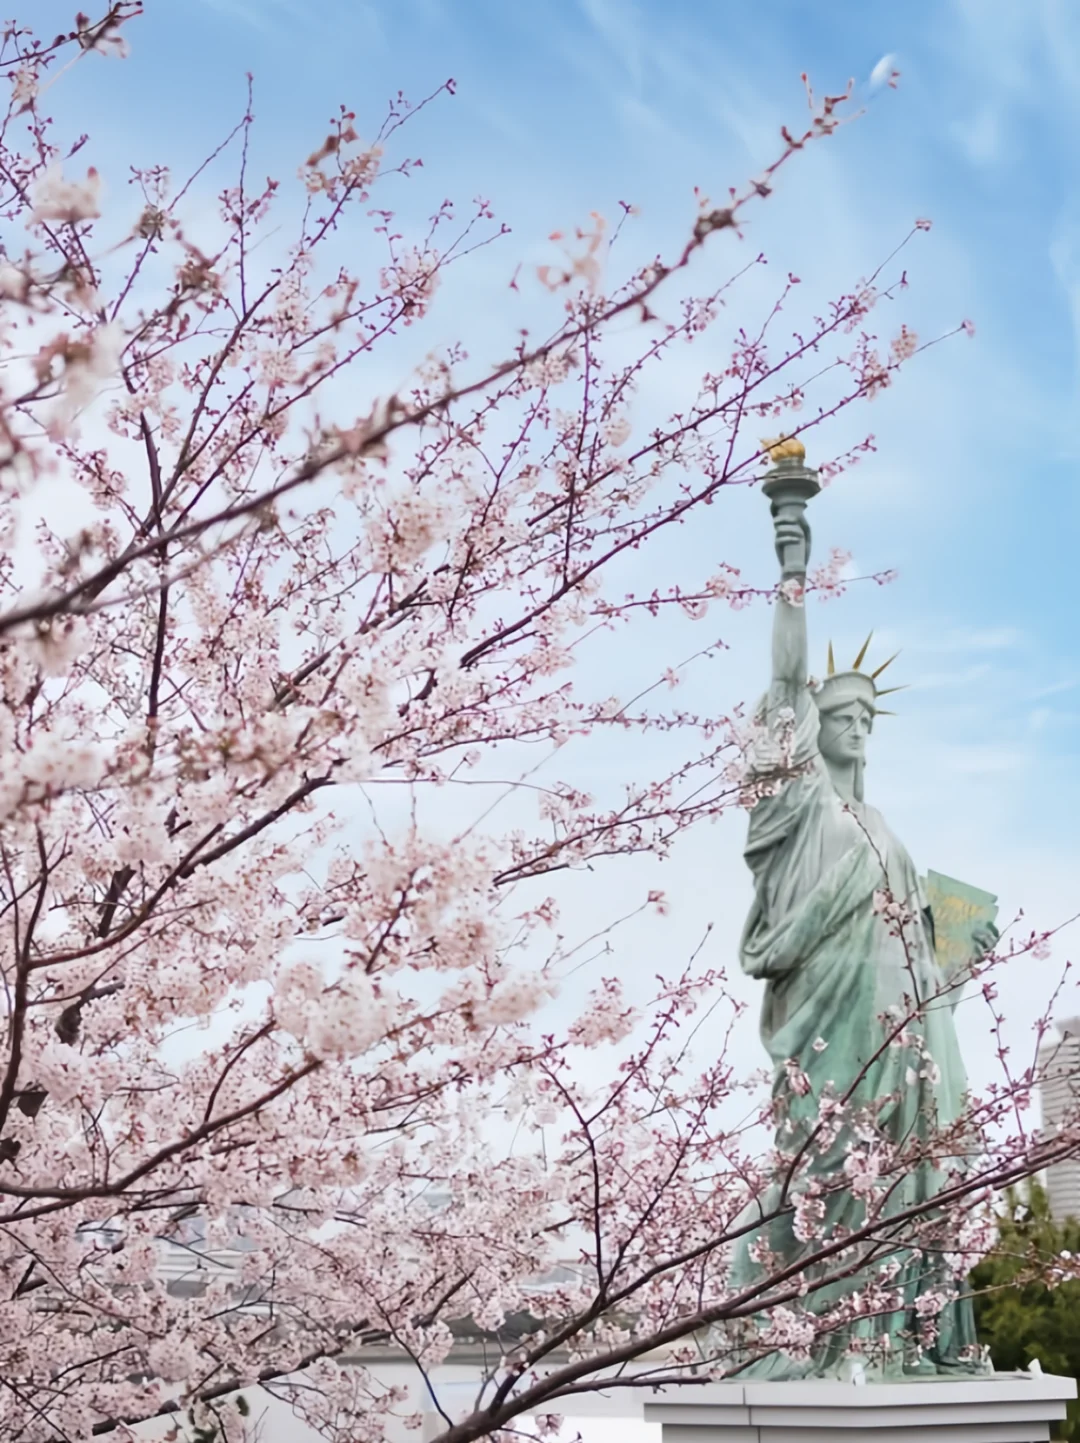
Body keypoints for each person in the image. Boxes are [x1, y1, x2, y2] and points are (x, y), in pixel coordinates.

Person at [727, 496, 997, 1378]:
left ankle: (893, 1334)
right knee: (831, 1162)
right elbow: (784, 683)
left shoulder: (885, 828)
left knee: (906, 1169)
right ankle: (811, 1329)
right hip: (829, 1018)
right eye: (840, 713)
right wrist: (792, 570)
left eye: (865, 718)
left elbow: (918, 940)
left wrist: (957, 952)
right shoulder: (803, 804)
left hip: (900, 1026)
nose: (854, 726)